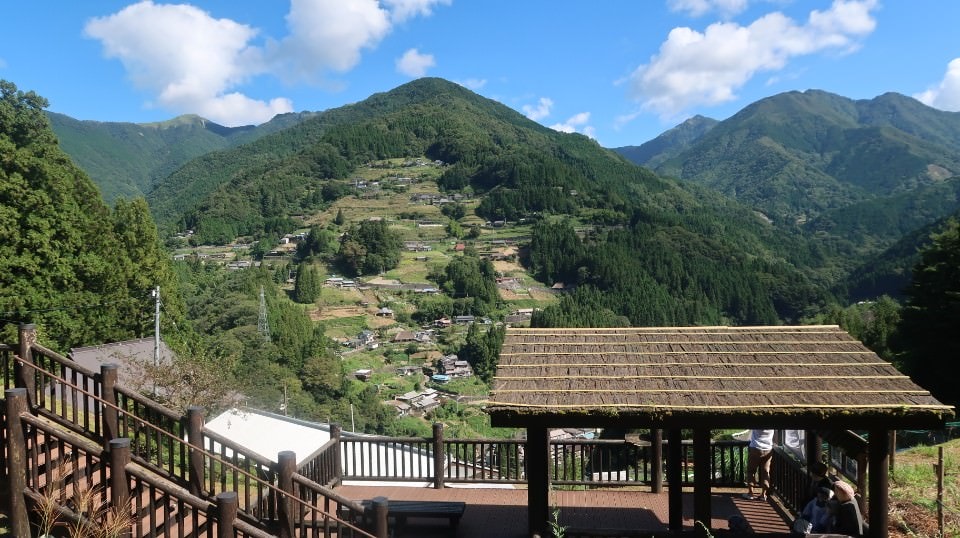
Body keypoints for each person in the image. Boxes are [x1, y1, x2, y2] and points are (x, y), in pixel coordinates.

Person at [743, 429, 775, 501]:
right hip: (768, 449)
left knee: (751, 471)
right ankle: (763, 495)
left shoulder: (757, 420)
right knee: (766, 472)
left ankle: (750, 493)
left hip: (755, 447)